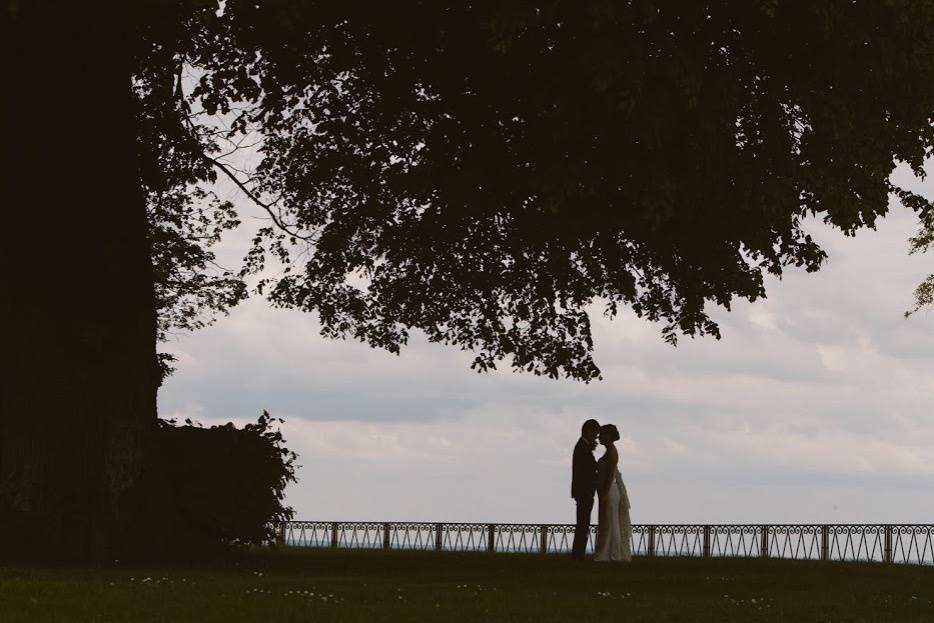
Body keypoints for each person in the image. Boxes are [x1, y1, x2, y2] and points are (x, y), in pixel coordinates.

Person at [593, 423, 632, 562]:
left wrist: (604, 492)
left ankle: (614, 554)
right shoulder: (609, 450)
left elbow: (610, 476)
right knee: (608, 521)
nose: (599, 437)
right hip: (608, 489)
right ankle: (610, 552)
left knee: (611, 522)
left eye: (602, 435)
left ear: (608, 436)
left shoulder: (612, 452)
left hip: (609, 490)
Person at [570, 419, 600, 560]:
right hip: (584, 491)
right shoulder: (582, 447)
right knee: (583, 524)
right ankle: (578, 554)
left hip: (583, 491)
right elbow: (585, 471)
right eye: (595, 433)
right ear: (588, 431)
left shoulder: (582, 446)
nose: (596, 437)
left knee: (583, 523)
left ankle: (578, 553)